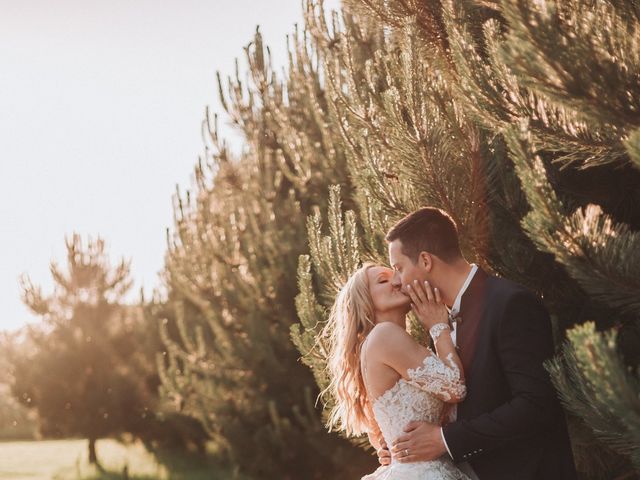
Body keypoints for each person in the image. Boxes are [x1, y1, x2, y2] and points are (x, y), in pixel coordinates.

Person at [377, 206, 577, 479]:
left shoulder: (509, 303)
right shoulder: (436, 325)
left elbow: (536, 404)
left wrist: (444, 440)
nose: (397, 282)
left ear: (425, 261)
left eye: (398, 268)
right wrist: (402, 448)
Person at [321, 261, 471, 479]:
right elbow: (456, 388)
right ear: (366, 301)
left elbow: (381, 429)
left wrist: (387, 445)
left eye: (396, 274)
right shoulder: (384, 335)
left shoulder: (388, 342)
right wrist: (438, 326)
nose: (397, 281)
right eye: (383, 280)